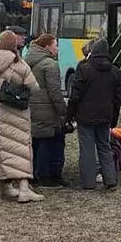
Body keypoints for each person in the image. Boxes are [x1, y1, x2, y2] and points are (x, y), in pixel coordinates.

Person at [0, 30, 43, 203]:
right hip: (15, 112)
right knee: (19, 149)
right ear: (14, 45)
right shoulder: (18, 63)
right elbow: (34, 87)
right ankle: (23, 190)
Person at [66, 38, 121, 190]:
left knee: (87, 149)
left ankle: (88, 182)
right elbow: (117, 98)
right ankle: (110, 179)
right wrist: (114, 118)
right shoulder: (115, 71)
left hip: (85, 115)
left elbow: (75, 95)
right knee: (105, 147)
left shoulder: (84, 69)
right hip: (105, 115)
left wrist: (69, 114)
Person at [25, 34, 68, 187]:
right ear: (47, 47)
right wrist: (63, 111)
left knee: (35, 141)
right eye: (55, 45)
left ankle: (33, 173)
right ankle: (45, 175)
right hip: (47, 109)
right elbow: (55, 92)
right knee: (48, 142)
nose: (57, 48)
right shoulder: (50, 64)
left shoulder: (28, 60)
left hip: (32, 107)